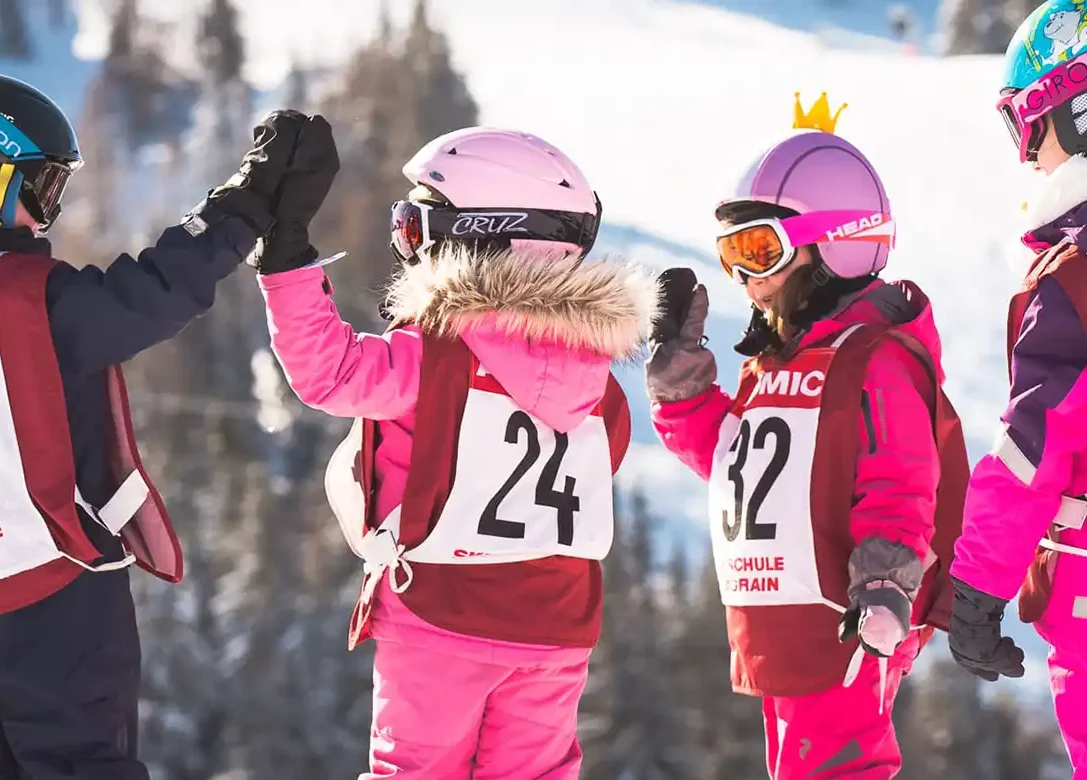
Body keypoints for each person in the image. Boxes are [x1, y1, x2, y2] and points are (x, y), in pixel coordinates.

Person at [255, 125, 657, 779]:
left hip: (440, 616)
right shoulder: (599, 380)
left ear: (480, 236)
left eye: (415, 227)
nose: (405, 246)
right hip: (556, 630)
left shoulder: (433, 356)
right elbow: (598, 463)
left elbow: (326, 372)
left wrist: (285, 262)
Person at [0, 73, 338, 779]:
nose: (50, 215)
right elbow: (151, 293)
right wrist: (238, 210)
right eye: (43, 191)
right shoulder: (33, 303)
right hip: (52, 595)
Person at [645, 93, 966, 779]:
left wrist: (884, 585)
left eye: (760, 249)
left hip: (846, 615)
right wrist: (685, 393)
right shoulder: (780, 360)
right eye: (732, 253)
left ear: (835, 243)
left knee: (839, 768)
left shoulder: (875, 360)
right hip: (785, 617)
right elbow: (745, 466)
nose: (744, 278)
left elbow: (902, 481)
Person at [948, 1, 1087, 775]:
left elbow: (1034, 449)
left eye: (1032, 126)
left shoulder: (1081, 275)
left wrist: (976, 586)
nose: (1028, 157)